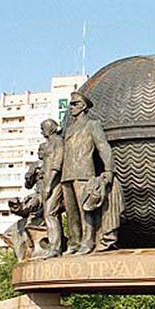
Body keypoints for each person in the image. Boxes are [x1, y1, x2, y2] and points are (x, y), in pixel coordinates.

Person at [61, 91, 115, 255]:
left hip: (84, 172)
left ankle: (88, 241)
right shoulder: (69, 129)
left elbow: (103, 147)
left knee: (86, 209)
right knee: (72, 213)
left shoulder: (92, 125)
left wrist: (109, 169)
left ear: (83, 107)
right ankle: (75, 242)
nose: (71, 107)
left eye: (74, 104)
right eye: (71, 104)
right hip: (67, 174)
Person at [40, 119, 64, 258]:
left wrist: (49, 185)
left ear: (51, 128)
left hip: (54, 183)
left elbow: (57, 164)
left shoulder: (58, 141)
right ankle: (54, 246)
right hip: (47, 182)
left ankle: (55, 248)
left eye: (43, 128)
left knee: (50, 214)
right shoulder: (48, 143)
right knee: (48, 215)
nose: (41, 131)